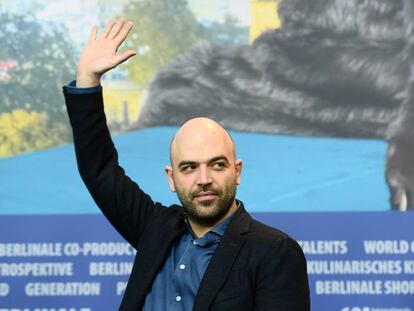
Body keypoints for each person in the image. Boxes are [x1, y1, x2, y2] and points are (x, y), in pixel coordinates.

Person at [63, 18, 310, 310]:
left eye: (217, 165)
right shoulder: (155, 229)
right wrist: (87, 81)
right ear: (171, 178)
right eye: (189, 167)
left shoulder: (274, 250)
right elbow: (99, 169)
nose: (203, 178)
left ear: (237, 170)